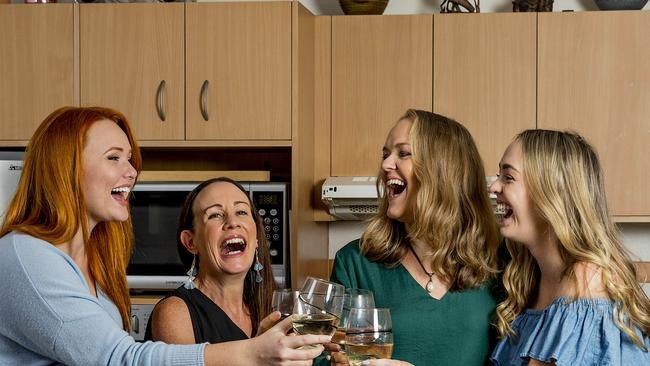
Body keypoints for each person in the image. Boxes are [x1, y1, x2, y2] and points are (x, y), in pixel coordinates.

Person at [0, 106, 328, 365]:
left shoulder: (93, 268)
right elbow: (115, 359)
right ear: (64, 167)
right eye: (113, 157)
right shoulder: (24, 255)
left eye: (129, 159)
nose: (131, 171)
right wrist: (252, 353)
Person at [327, 109, 502, 365]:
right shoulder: (355, 261)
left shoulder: (501, 259)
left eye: (403, 153)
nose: (386, 164)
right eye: (385, 154)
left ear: (443, 169)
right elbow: (323, 354)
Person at [489, 129, 650, 365]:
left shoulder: (585, 282)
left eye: (508, 177)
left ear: (552, 193)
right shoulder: (535, 276)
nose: (494, 187)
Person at [145, 177, 277, 344]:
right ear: (191, 242)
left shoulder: (270, 305)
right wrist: (260, 351)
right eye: (215, 215)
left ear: (256, 235)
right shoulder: (174, 313)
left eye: (241, 212)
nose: (232, 222)